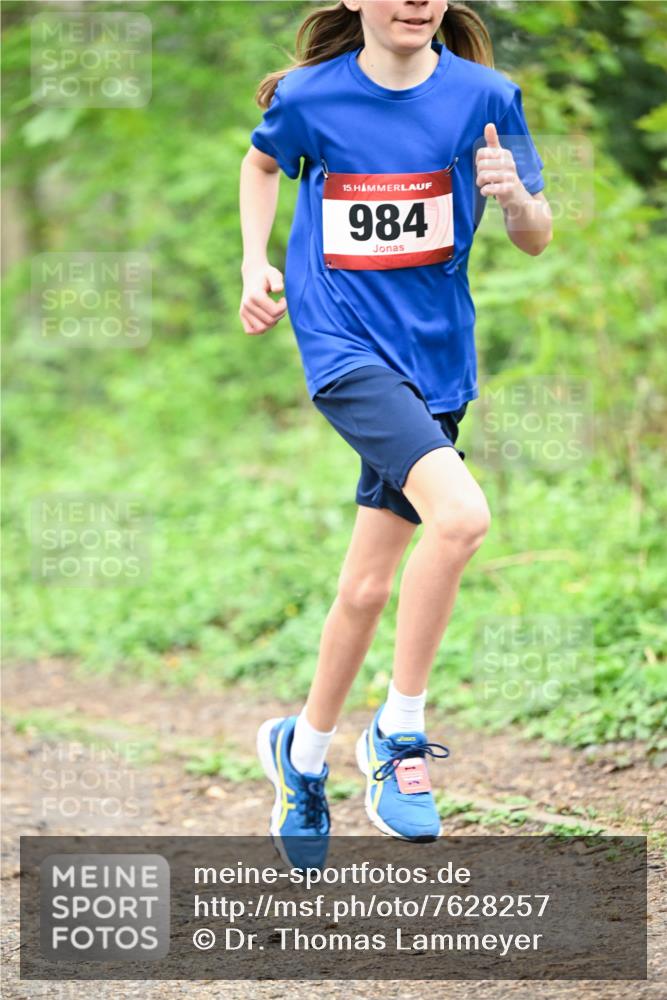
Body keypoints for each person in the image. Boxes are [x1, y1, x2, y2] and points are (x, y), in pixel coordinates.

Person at [240, 0, 552, 870]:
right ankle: (398, 733)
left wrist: (516, 197)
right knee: (460, 518)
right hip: (342, 345)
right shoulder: (309, 97)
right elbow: (260, 165)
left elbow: (534, 237)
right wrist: (252, 259)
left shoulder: (487, 96)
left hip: (437, 360)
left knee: (368, 586)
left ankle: (299, 755)